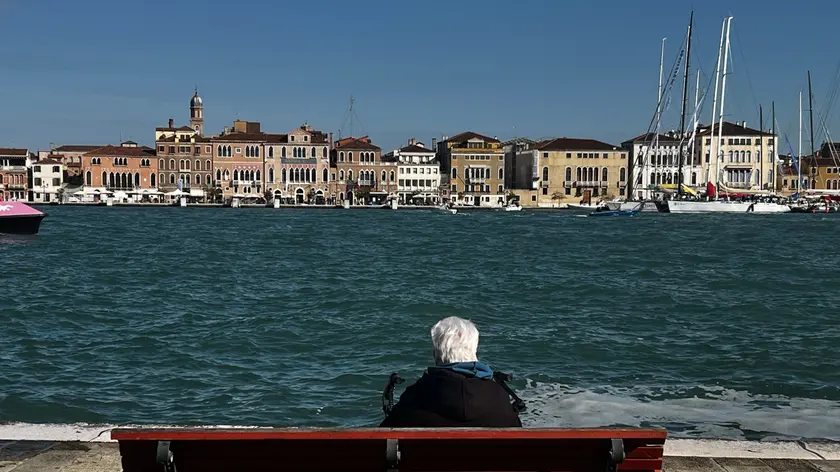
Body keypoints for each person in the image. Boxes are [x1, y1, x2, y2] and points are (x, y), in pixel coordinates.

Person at [380, 316, 522, 427]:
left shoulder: (416, 395)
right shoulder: (498, 397)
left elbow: (384, 438)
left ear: (436, 352)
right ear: (474, 350)